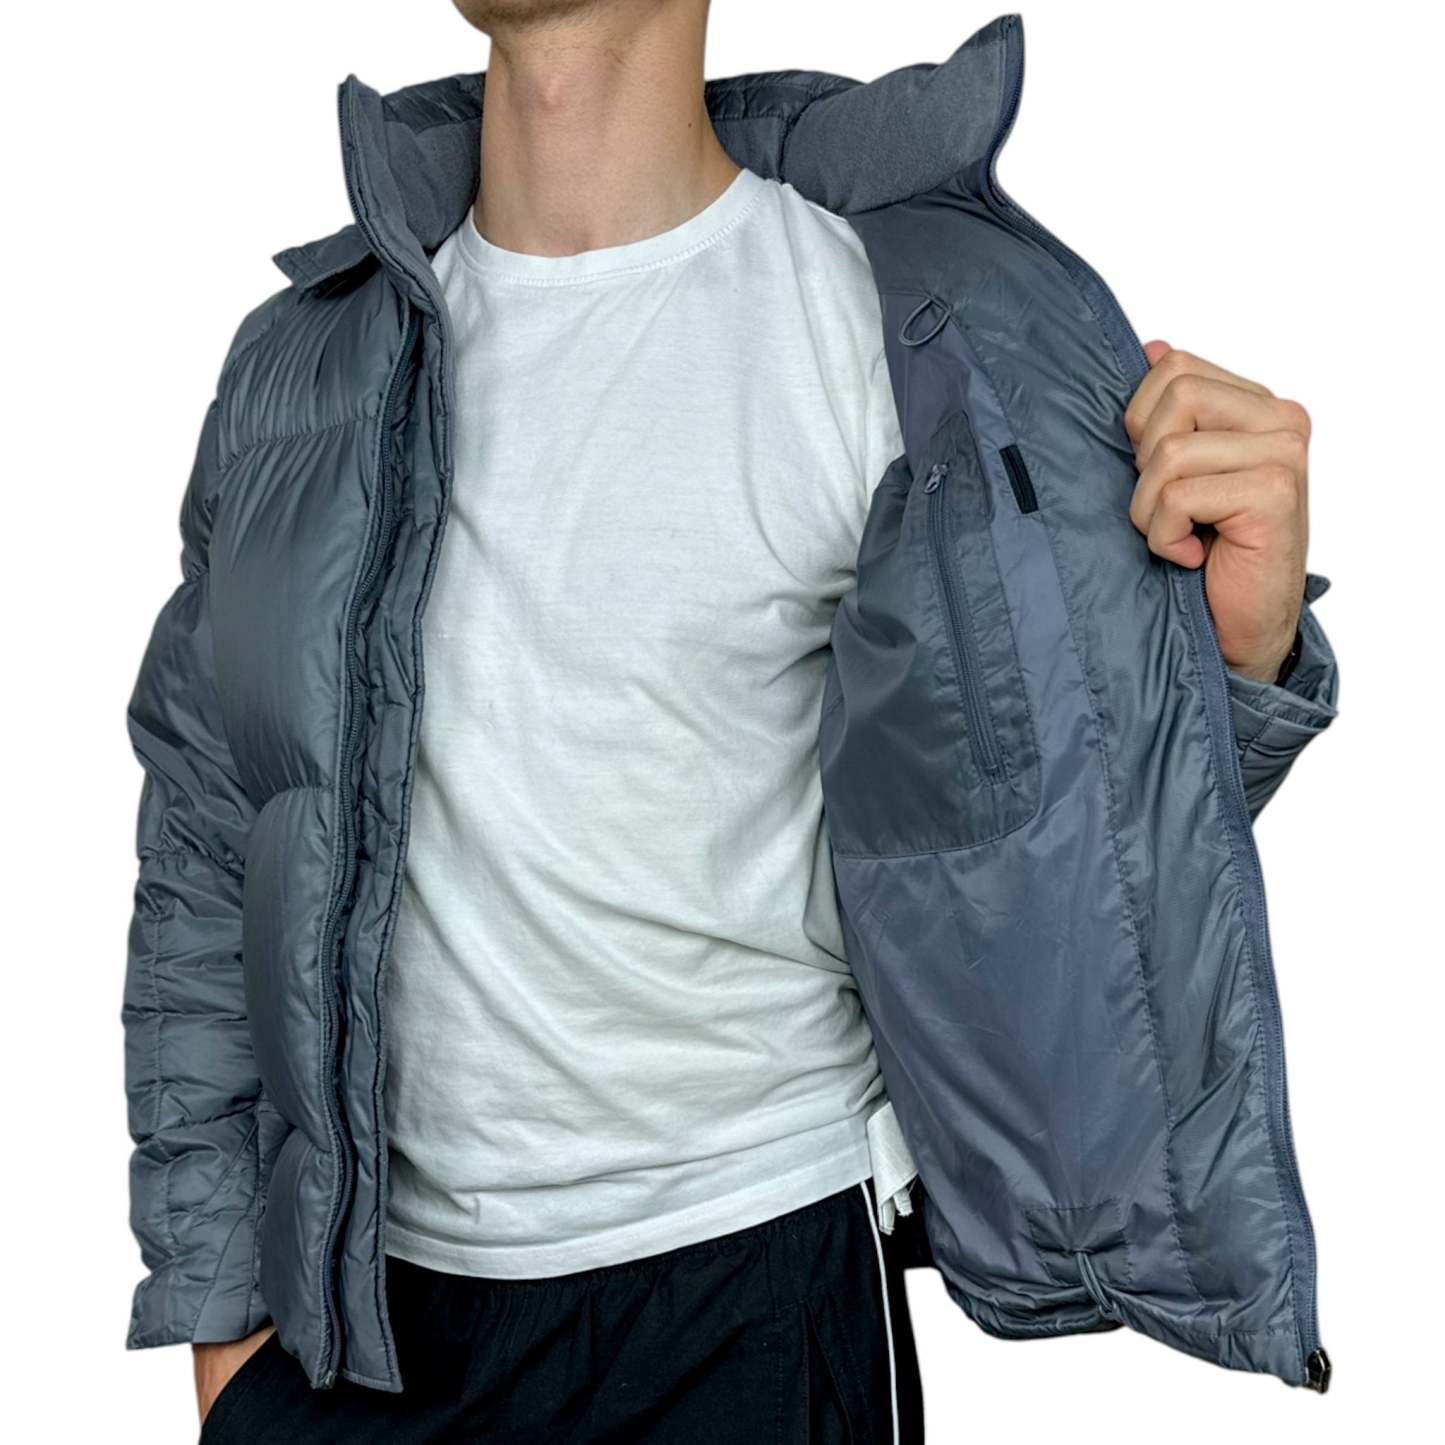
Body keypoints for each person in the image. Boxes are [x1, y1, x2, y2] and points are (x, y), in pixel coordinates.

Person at [121, 3, 1338, 1440]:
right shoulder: (304, 365)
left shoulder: (896, 329)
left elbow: (1052, 838)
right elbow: (206, 852)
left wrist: (1231, 655)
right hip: (359, 1338)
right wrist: (226, 1338)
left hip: (749, 1301)